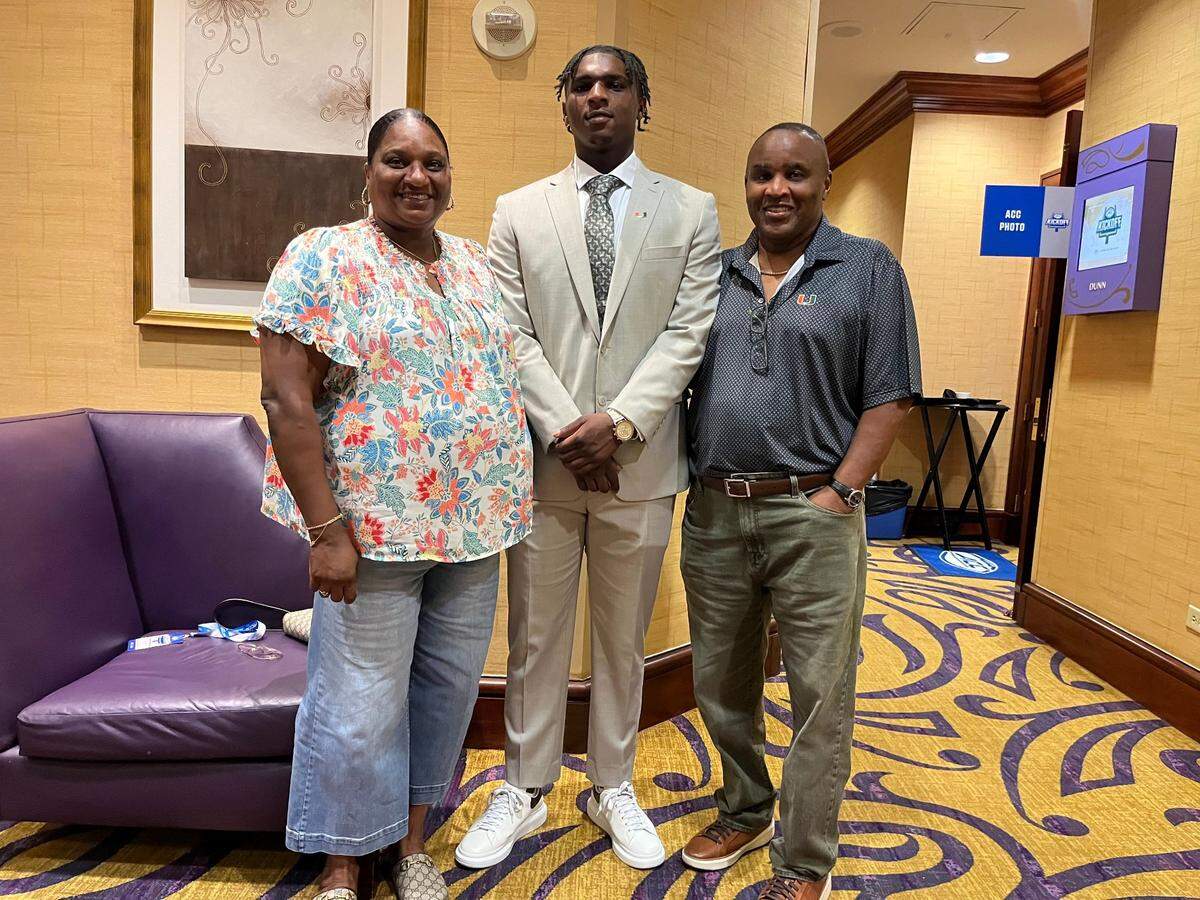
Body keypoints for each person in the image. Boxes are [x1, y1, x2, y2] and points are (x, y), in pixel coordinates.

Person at [455, 45, 722, 871]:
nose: (598, 95)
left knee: (622, 636)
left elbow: (689, 331)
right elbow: (511, 332)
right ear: (562, 103)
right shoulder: (516, 212)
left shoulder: (693, 210)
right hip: (544, 465)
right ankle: (525, 786)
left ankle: (613, 784)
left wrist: (623, 426)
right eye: (583, 85)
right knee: (534, 636)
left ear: (643, 102)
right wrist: (575, 431)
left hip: (640, 467)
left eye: (616, 84)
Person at [255, 108, 533, 900]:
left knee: (444, 696)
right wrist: (327, 533)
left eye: (434, 162)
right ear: (368, 169)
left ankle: (409, 847)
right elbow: (286, 402)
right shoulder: (324, 256)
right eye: (397, 159)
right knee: (358, 703)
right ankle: (344, 865)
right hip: (369, 534)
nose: (418, 176)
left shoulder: (477, 266)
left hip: (474, 529)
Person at [679, 123, 921, 900]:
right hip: (715, 509)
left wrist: (839, 493)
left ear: (825, 180)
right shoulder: (713, 274)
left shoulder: (867, 268)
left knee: (821, 691)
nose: (775, 189)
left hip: (813, 510)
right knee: (719, 680)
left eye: (794, 175)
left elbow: (890, 396)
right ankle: (745, 806)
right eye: (760, 175)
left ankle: (804, 859)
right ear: (745, 183)